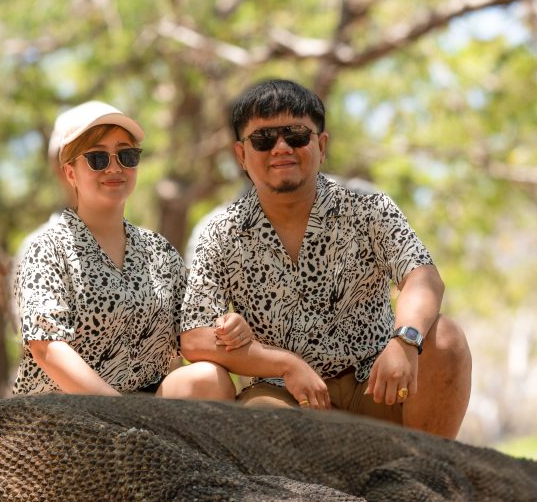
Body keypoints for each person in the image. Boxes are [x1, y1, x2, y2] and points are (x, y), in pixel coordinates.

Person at [180, 79, 472, 438]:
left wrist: (405, 341)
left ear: (321, 145)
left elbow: (423, 277)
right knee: (261, 423)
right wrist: (285, 365)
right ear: (241, 155)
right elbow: (194, 337)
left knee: (446, 338)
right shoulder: (218, 232)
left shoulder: (368, 207)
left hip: (376, 386)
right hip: (283, 396)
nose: (281, 147)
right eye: (263, 139)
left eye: (297, 135)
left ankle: (428, 478)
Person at [12, 100, 248, 398]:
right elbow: (47, 349)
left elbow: (194, 332)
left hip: (145, 409)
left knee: (209, 378)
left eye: (126, 155)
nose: (114, 167)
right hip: (67, 413)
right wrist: (120, 412)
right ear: (70, 172)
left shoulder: (158, 250)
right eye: (97, 158)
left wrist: (230, 327)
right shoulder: (46, 247)